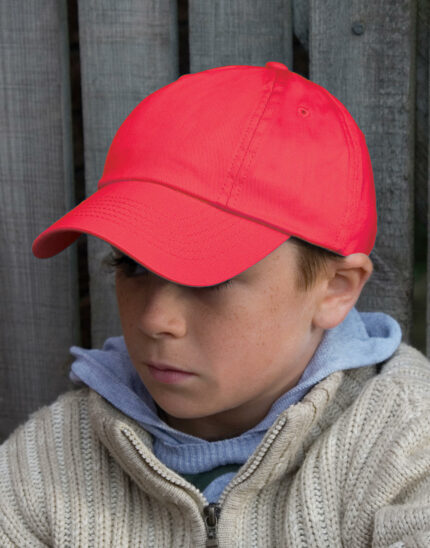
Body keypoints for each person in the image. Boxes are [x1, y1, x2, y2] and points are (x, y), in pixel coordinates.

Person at [1, 61, 429, 547]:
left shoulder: (404, 444)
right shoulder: (50, 462)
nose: (155, 319)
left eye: (212, 278)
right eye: (132, 265)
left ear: (335, 289)